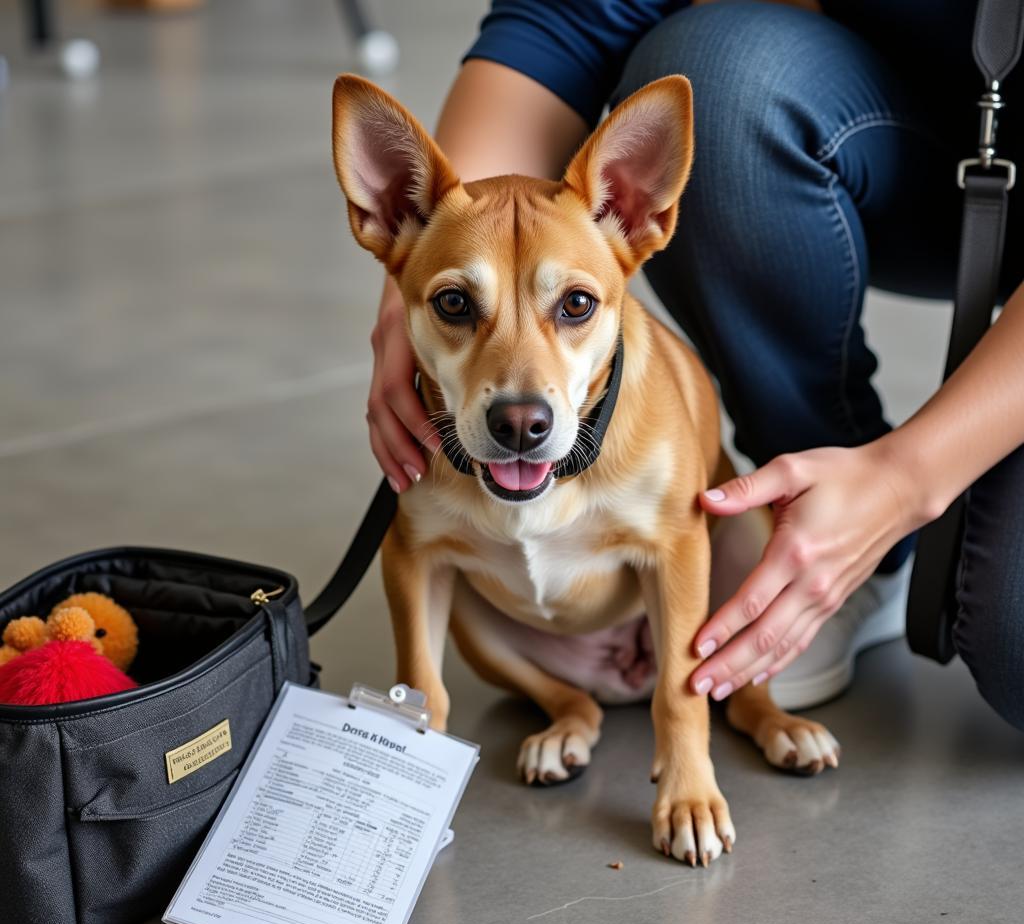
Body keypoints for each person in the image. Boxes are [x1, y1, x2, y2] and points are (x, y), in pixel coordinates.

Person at [362, 0, 1024, 725]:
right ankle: (817, 509)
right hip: (879, 132)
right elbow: (563, 21)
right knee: (723, 70)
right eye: (458, 310)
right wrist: (426, 276)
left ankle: (869, 525)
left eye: (576, 307)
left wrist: (909, 478)